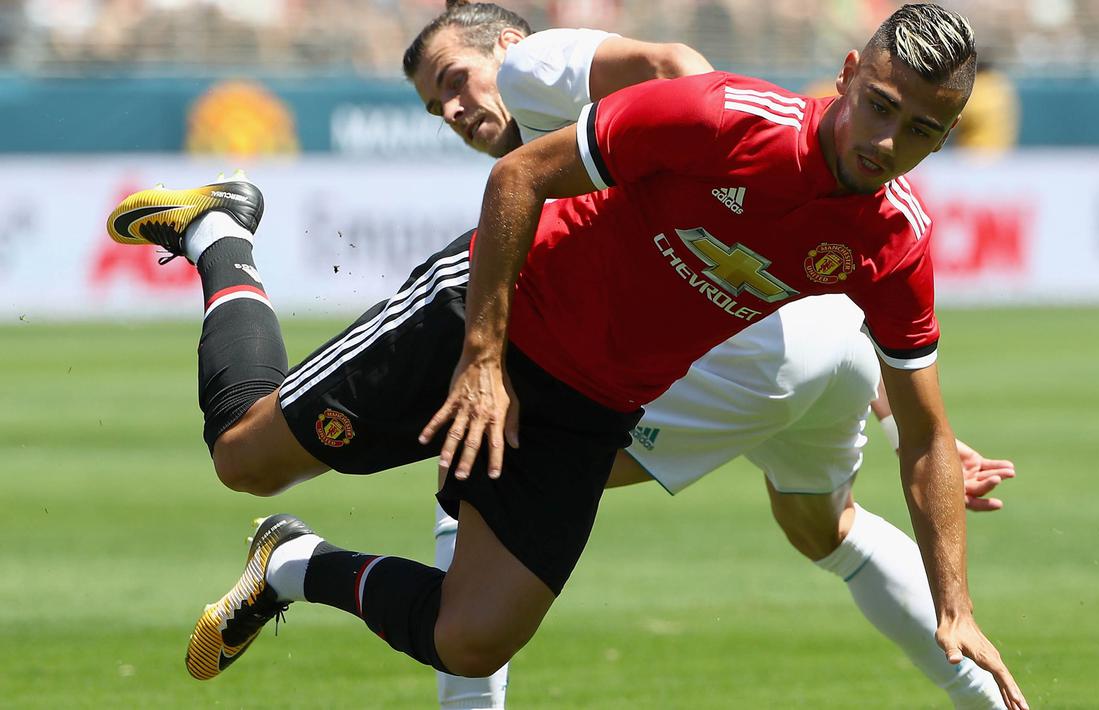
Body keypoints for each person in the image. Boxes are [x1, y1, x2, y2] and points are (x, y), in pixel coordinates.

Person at [105, 4, 1028, 709]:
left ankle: (293, 567)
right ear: (848, 72)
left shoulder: (894, 239)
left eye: (922, 133)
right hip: (492, 313)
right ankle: (222, 235)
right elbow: (520, 176)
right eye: (880, 108)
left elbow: (927, 433)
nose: (887, 143)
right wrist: (482, 358)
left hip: (590, 406)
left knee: (471, 641)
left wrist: (957, 605)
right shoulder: (724, 120)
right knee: (244, 458)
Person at [404, 3, 1014, 708]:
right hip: (819, 344)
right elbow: (797, 267)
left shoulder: (539, 70)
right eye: (432, 103)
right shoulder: (857, 196)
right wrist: (901, 425)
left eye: (456, 79)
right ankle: (993, 699)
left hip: (745, 361)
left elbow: (682, 75)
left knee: (490, 459)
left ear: (507, 45)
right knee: (826, 529)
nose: (453, 108)